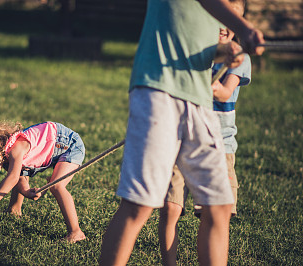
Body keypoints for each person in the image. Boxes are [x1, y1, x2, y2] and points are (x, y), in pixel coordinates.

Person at [99, 0, 264, 265]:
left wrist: (224, 51)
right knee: (139, 205)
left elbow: (193, 45)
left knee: (219, 205)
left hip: (199, 99)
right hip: (159, 89)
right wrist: (243, 27)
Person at [162, 0, 251, 264]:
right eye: (221, 17)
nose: (226, 26)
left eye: (233, 19)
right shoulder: (197, 49)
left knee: (215, 213)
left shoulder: (239, 57)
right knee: (170, 208)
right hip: (181, 139)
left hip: (219, 145)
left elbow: (224, 91)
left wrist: (198, 84)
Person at [0, 121, 86, 243]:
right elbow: (20, 176)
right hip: (55, 144)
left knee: (57, 186)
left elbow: (13, 178)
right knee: (17, 171)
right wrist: (26, 191)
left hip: (69, 145)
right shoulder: (5, 155)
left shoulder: (16, 148)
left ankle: (76, 232)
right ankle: (14, 210)